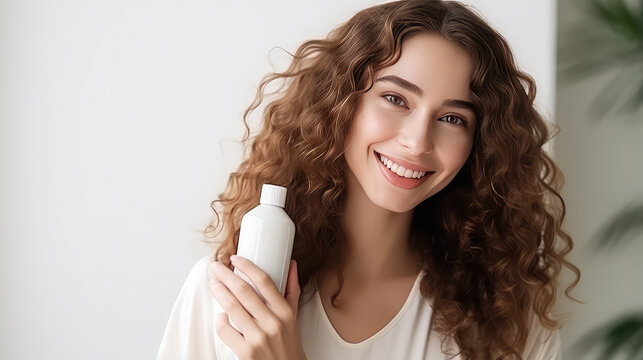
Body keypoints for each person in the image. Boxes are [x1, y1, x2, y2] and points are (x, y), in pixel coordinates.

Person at [157, 0, 581, 359]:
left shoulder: (506, 321)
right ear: (340, 104)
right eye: (395, 98)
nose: (417, 142)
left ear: (480, 144)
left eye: (452, 118)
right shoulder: (230, 301)